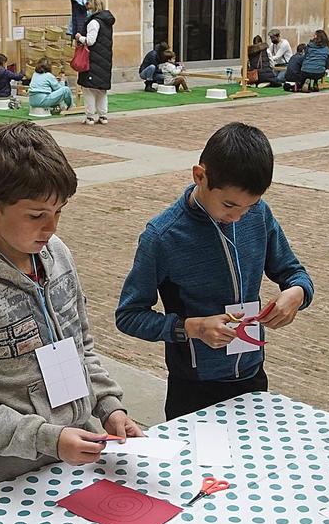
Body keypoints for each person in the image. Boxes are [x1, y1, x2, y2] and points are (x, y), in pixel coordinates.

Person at [0, 121, 141, 487]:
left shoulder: (58, 255)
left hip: (80, 447)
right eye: (36, 216)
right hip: (10, 472)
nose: (51, 229)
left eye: (59, 212)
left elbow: (81, 348)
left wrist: (109, 407)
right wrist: (48, 438)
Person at [115, 123, 313, 420]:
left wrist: (295, 295)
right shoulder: (163, 236)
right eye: (229, 205)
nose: (237, 217)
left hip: (252, 376)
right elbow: (128, 316)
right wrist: (194, 328)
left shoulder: (258, 214)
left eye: (249, 206)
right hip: (193, 387)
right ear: (200, 176)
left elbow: (295, 274)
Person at [76, 4, 116, 124]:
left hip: (93, 60)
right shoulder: (107, 22)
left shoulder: (94, 22)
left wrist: (79, 37)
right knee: (101, 90)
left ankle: (90, 116)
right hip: (104, 60)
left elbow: (90, 41)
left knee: (89, 89)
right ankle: (103, 115)